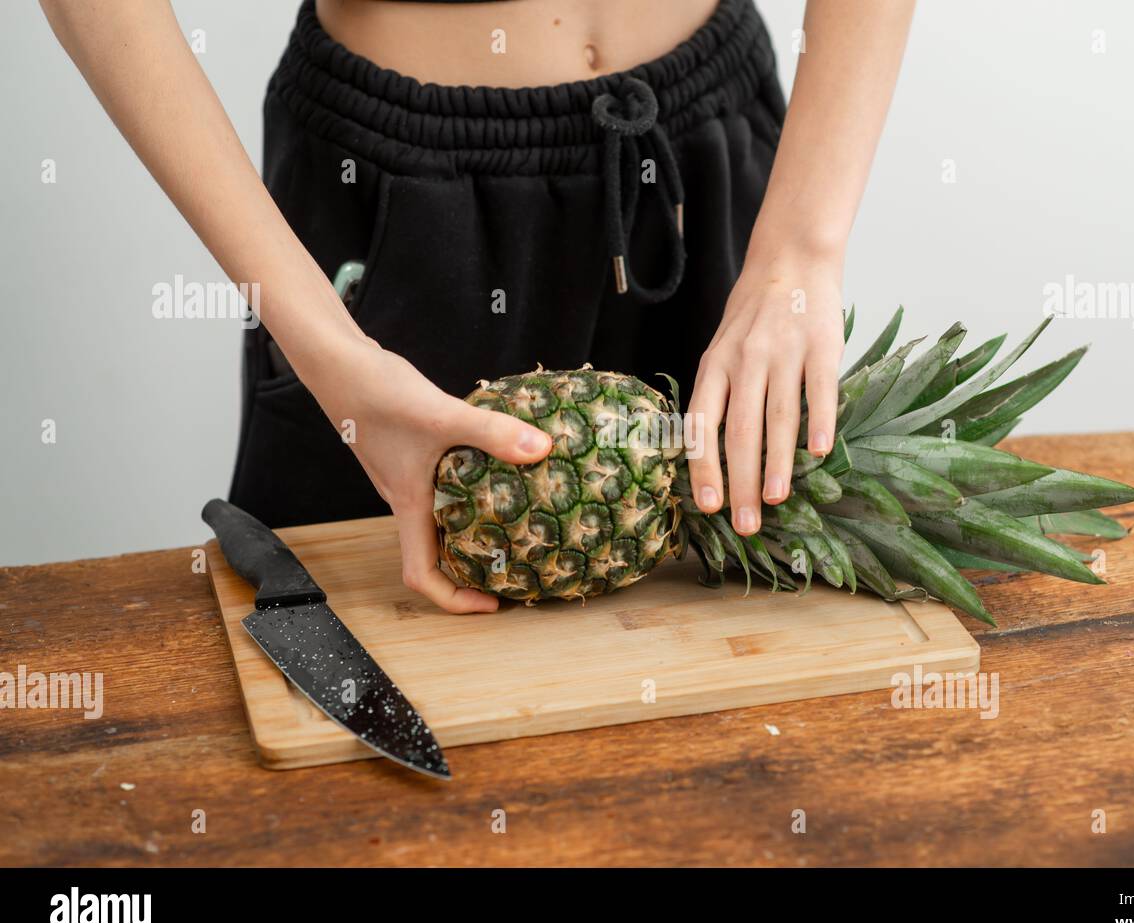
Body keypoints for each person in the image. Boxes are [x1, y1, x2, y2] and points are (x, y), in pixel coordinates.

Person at [41, 0, 915, 613]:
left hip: (705, 168)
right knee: (345, 721)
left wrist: (801, 246)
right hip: (397, 202)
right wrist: (325, 346)